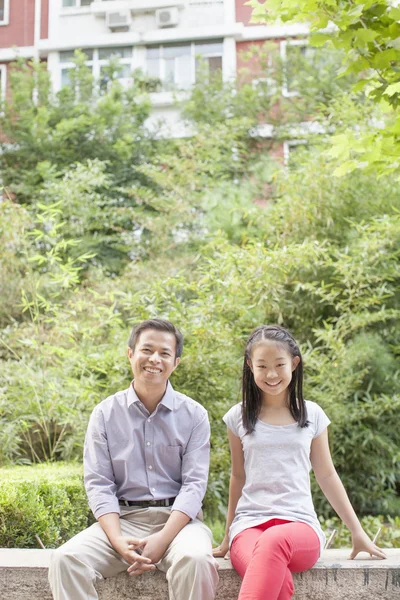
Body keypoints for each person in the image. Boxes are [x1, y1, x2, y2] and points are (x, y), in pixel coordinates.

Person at [49, 318, 219, 600]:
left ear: (175, 362)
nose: (154, 359)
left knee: (197, 560)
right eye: (146, 350)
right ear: (130, 354)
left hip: (179, 525)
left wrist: (163, 539)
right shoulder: (105, 414)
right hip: (122, 521)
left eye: (164, 353)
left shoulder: (194, 415)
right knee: (65, 560)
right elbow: (99, 483)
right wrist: (117, 541)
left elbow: (194, 486)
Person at [213, 324, 386, 600]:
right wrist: (227, 536)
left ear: (294, 363)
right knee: (278, 584)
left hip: (299, 526)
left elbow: (327, 475)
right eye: (262, 366)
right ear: (250, 367)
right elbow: (238, 477)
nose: (271, 374)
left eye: (279, 364)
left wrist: (357, 531)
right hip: (248, 527)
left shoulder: (312, 414)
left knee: (273, 542)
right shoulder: (238, 416)